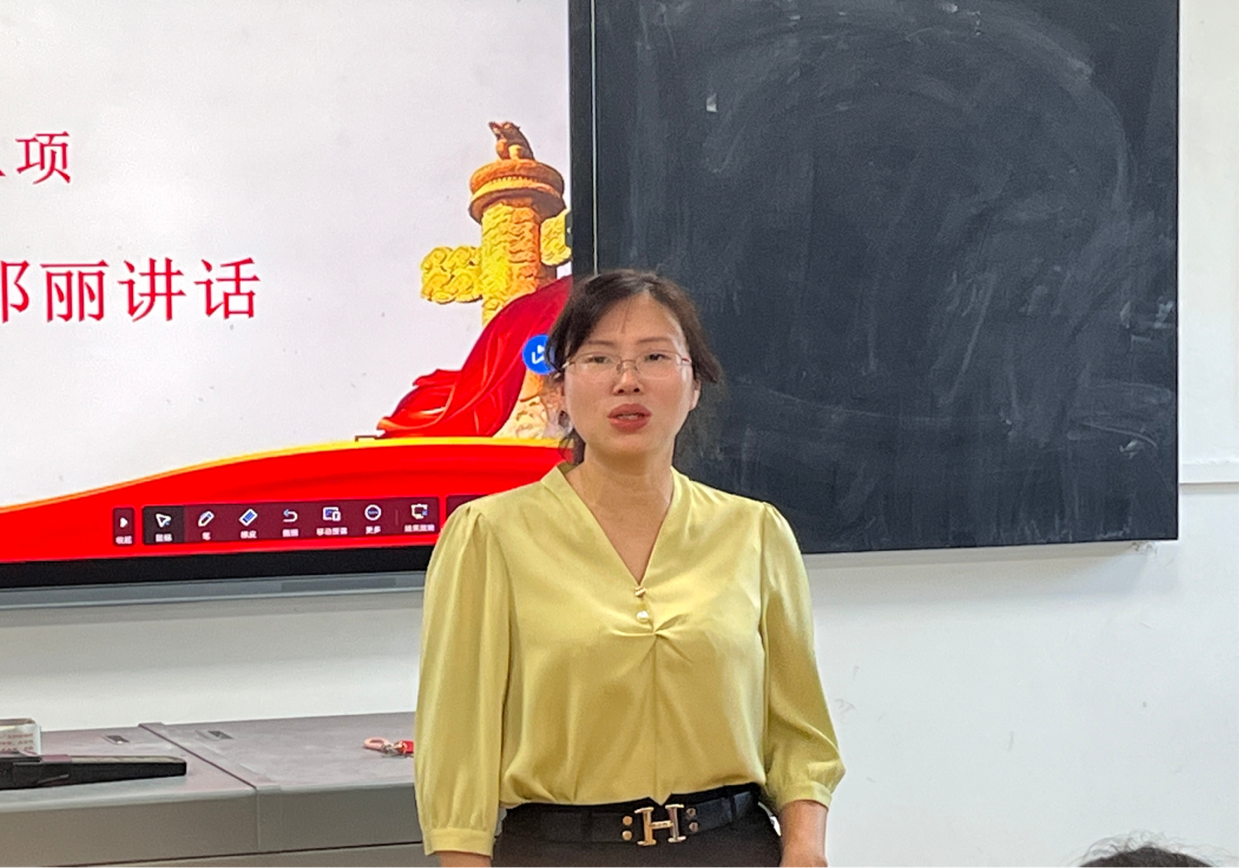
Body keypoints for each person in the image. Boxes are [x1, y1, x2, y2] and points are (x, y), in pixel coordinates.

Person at [414, 270, 844, 867]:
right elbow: (458, 744)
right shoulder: (490, 535)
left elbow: (799, 732)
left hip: (731, 847)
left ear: (694, 386)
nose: (628, 380)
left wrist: (805, 851)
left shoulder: (755, 533)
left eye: (655, 357)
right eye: (599, 359)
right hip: (560, 853)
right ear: (558, 391)